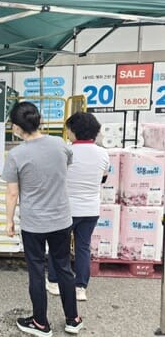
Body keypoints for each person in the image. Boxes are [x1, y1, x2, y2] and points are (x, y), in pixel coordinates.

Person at [3, 102, 82, 337]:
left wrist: (9, 221)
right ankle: (73, 319)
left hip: (34, 223)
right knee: (64, 268)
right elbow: (65, 166)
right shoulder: (60, 144)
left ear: (16, 127)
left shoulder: (16, 154)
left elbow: (12, 193)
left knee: (36, 271)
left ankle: (40, 323)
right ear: (39, 120)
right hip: (61, 218)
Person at [46, 112, 109, 301]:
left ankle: (54, 282)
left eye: (68, 130)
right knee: (83, 247)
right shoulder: (103, 153)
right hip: (91, 209)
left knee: (58, 247)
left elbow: (54, 179)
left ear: (73, 131)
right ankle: (81, 288)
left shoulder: (65, 151)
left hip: (66, 208)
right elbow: (103, 179)